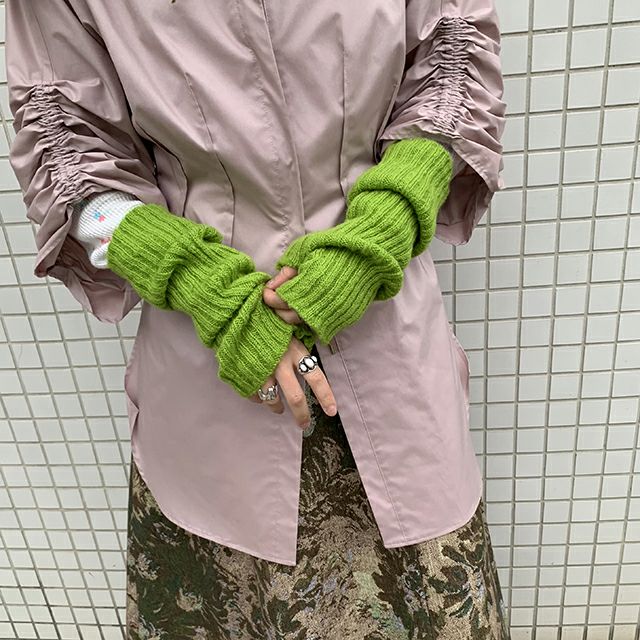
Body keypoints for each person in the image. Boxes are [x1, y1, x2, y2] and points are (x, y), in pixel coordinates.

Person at [6, 0, 509, 637]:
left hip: (389, 347)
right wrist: (197, 281)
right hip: (208, 376)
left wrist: (387, 221)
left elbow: (451, 68)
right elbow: (68, 157)